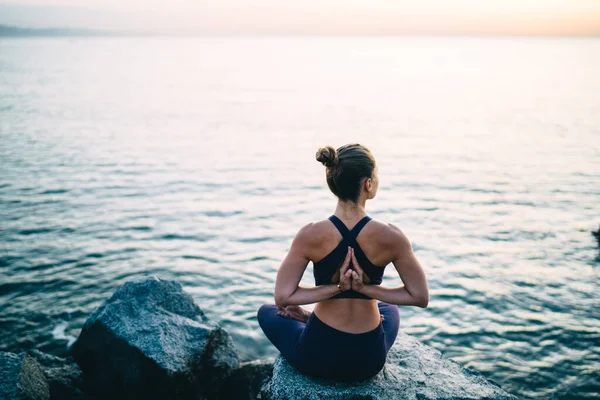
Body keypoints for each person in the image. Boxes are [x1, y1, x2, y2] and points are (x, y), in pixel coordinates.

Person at [257, 143, 429, 382]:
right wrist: (364, 289)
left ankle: (310, 320)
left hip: (317, 356)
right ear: (368, 183)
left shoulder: (310, 234)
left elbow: (283, 298)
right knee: (389, 308)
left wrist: (336, 288)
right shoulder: (392, 236)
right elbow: (419, 297)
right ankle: (312, 319)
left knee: (267, 311)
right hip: (369, 360)